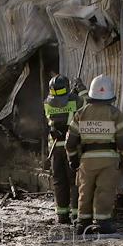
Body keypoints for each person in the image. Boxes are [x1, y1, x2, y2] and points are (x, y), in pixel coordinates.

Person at [65, 74, 123, 235]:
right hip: (109, 161)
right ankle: (103, 223)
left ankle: (83, 223)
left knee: (85, 191)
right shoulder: (115, 114)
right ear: (110, 96)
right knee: (105, 191)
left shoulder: (81, 113)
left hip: (86, 161)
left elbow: (70, 141)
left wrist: (73, 159)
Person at [44, 74, 81, 224]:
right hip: (71, 147)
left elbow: (60, 105)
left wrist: (71, 95)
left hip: (55, 148)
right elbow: (86, 104)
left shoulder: (47, 103)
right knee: (74, 181)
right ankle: (76, 215)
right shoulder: (75, 100)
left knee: (59, 182)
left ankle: (62, 215)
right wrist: (80, 91)